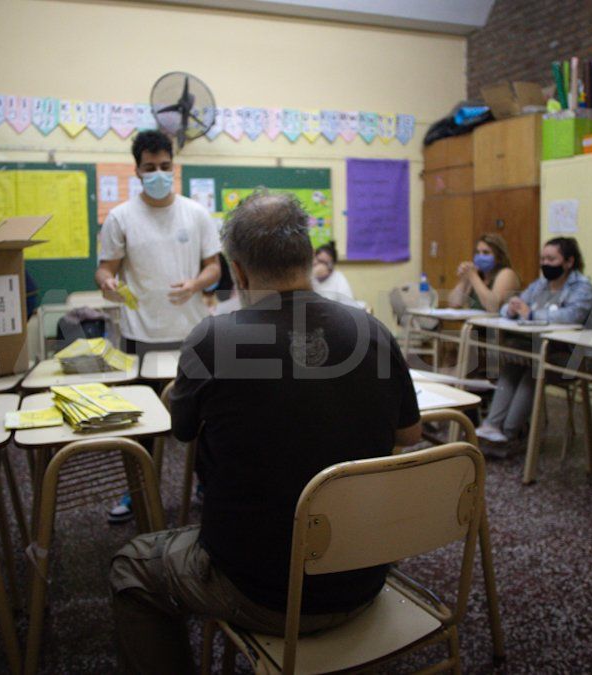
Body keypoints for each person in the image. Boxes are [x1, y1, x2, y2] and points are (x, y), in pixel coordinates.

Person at [109, 192, 422, 674]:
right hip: (366, 575)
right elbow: (410, 434)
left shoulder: (214, 340)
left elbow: (183, 431)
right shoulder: (371, 331)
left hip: (258, 591)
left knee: (132, 563)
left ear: (237, 271)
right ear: (306, 256)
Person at [95, 130, 221, 358]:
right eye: (150, 168)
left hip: (191, 329)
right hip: (139, 334)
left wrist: (195, 283)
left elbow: (214, 267)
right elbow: (105, 269)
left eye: (165, 166)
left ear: (173, 166)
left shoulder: (197, 213)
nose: (159, 173)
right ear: (137, 172)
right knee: (144, 393)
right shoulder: (119, 217)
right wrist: (106, 283)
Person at [476, 237, 592, 444]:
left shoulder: (582, 287)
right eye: (543, 259)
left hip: (574, 356)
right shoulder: (541, 284)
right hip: (543, 349)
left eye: (551, 259)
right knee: (514, 364)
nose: (545, 264)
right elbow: (514, 305)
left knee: (534, 370)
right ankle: (492, 426)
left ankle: (509, 432)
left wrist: (532, 314)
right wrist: (512, 309)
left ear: (569, 262)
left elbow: (571, 316)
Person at [447, 232, 520, 312]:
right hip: (473, 323)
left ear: (499, 257)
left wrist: (473, 276)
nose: (480, 257)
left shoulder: (507, 274)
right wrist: (464, 279)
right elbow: (453, 305)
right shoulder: (477, 275)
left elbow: (493, 306)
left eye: (486, 253)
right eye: (478, 253)